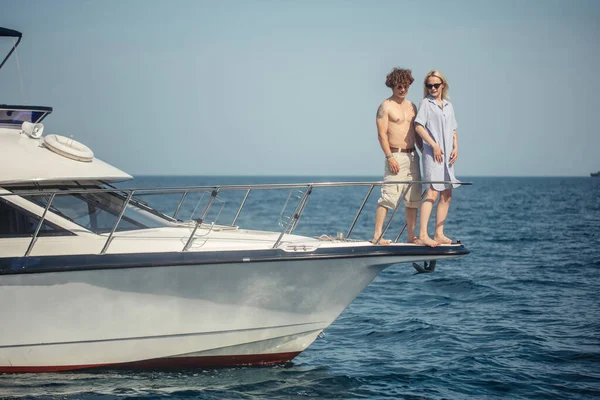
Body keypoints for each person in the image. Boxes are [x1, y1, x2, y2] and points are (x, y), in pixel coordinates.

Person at [372, 68, 423, 245]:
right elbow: (381, 135)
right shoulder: (385, 106)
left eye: (406, 86)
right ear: (392, 86)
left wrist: (425, 153)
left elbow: (416, 134)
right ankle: (377, 236)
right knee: (388, 197)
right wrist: (389, 157)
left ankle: (411, 236)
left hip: (413, 157)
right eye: (399, 86)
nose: (402, 89)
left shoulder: (412, 106)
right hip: (395, 155)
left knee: (413, 199)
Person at [414, 70, 460, 247]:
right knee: (432, 192)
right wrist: (433, 145)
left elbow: (453, 130)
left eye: (436, 85)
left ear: (443, 86)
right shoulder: (425, 103)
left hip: (447, 156)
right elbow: (419, 127)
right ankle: (423, 235)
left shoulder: (448, 105)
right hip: (432, 155)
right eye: (429, 85)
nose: (433, 88)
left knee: (447, 194)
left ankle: (439, 233)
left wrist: (456, 147)